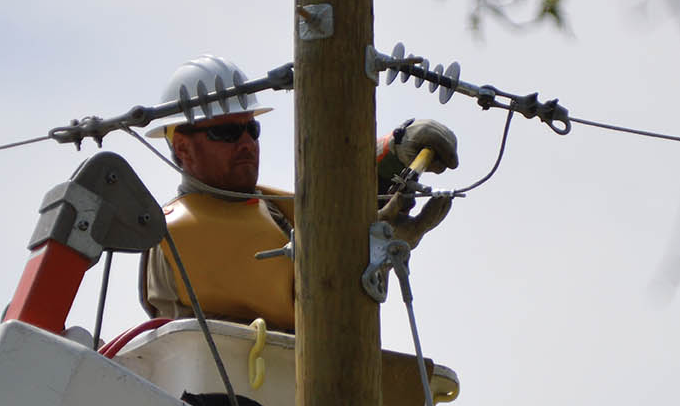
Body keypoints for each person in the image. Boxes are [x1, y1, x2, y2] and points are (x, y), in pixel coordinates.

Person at [139, 55, 458, 332]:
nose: (247, 143)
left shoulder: (271, 208)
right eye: (226, 132)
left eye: (252, 129)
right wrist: (365, 248)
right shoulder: (177, 233)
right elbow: (308, 296)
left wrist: (392, 152)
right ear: (183, 147)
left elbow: (329, 213)